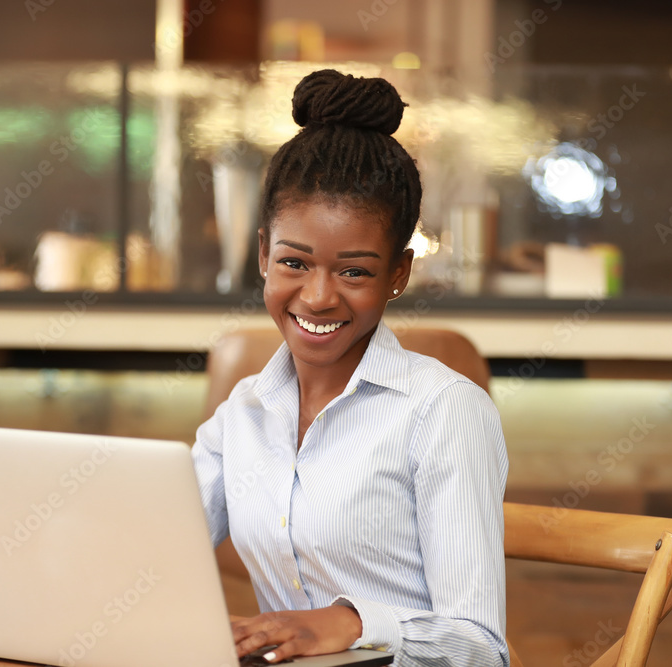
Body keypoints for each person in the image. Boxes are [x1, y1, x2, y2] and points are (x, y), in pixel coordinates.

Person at [192, 69, 509, 667]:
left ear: (398, 274)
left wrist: (349, 623)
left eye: (355, 271)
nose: (317, 297)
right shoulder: (242, 414)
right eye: (293, 262)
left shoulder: (444, 411)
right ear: (263, 255)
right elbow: (146, 547)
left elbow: (482, 649)